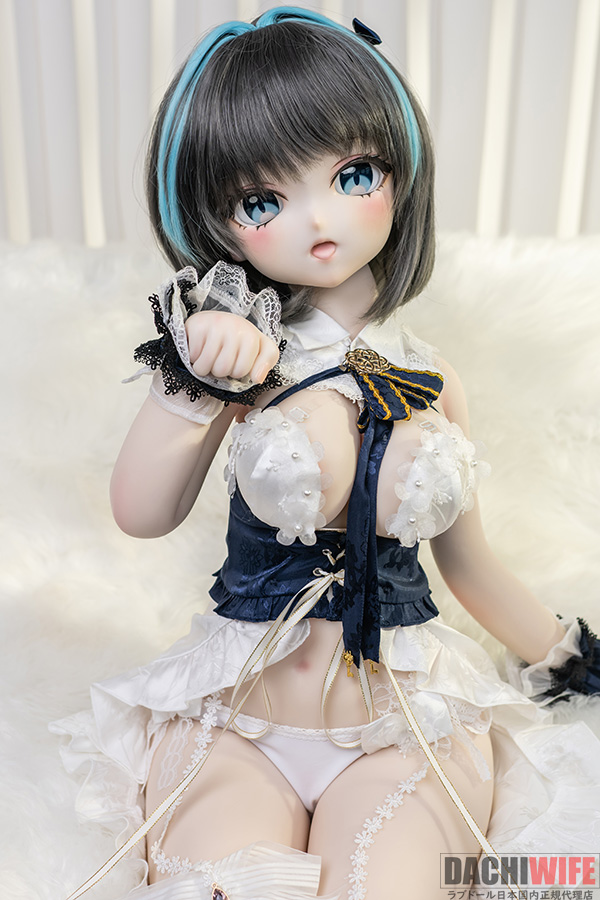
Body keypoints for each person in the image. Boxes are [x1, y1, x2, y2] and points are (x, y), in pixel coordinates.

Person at [53, 8, 600, 900]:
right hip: (239, 718)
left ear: (399, 173)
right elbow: (141, 513)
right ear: (219, 221)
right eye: (261, 202)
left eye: (352, 175)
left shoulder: (433, 381)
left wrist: (569, 654)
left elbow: (469, 564)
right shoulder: (245, 357)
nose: (318, 220)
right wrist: (193, 378)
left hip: (405, 723)